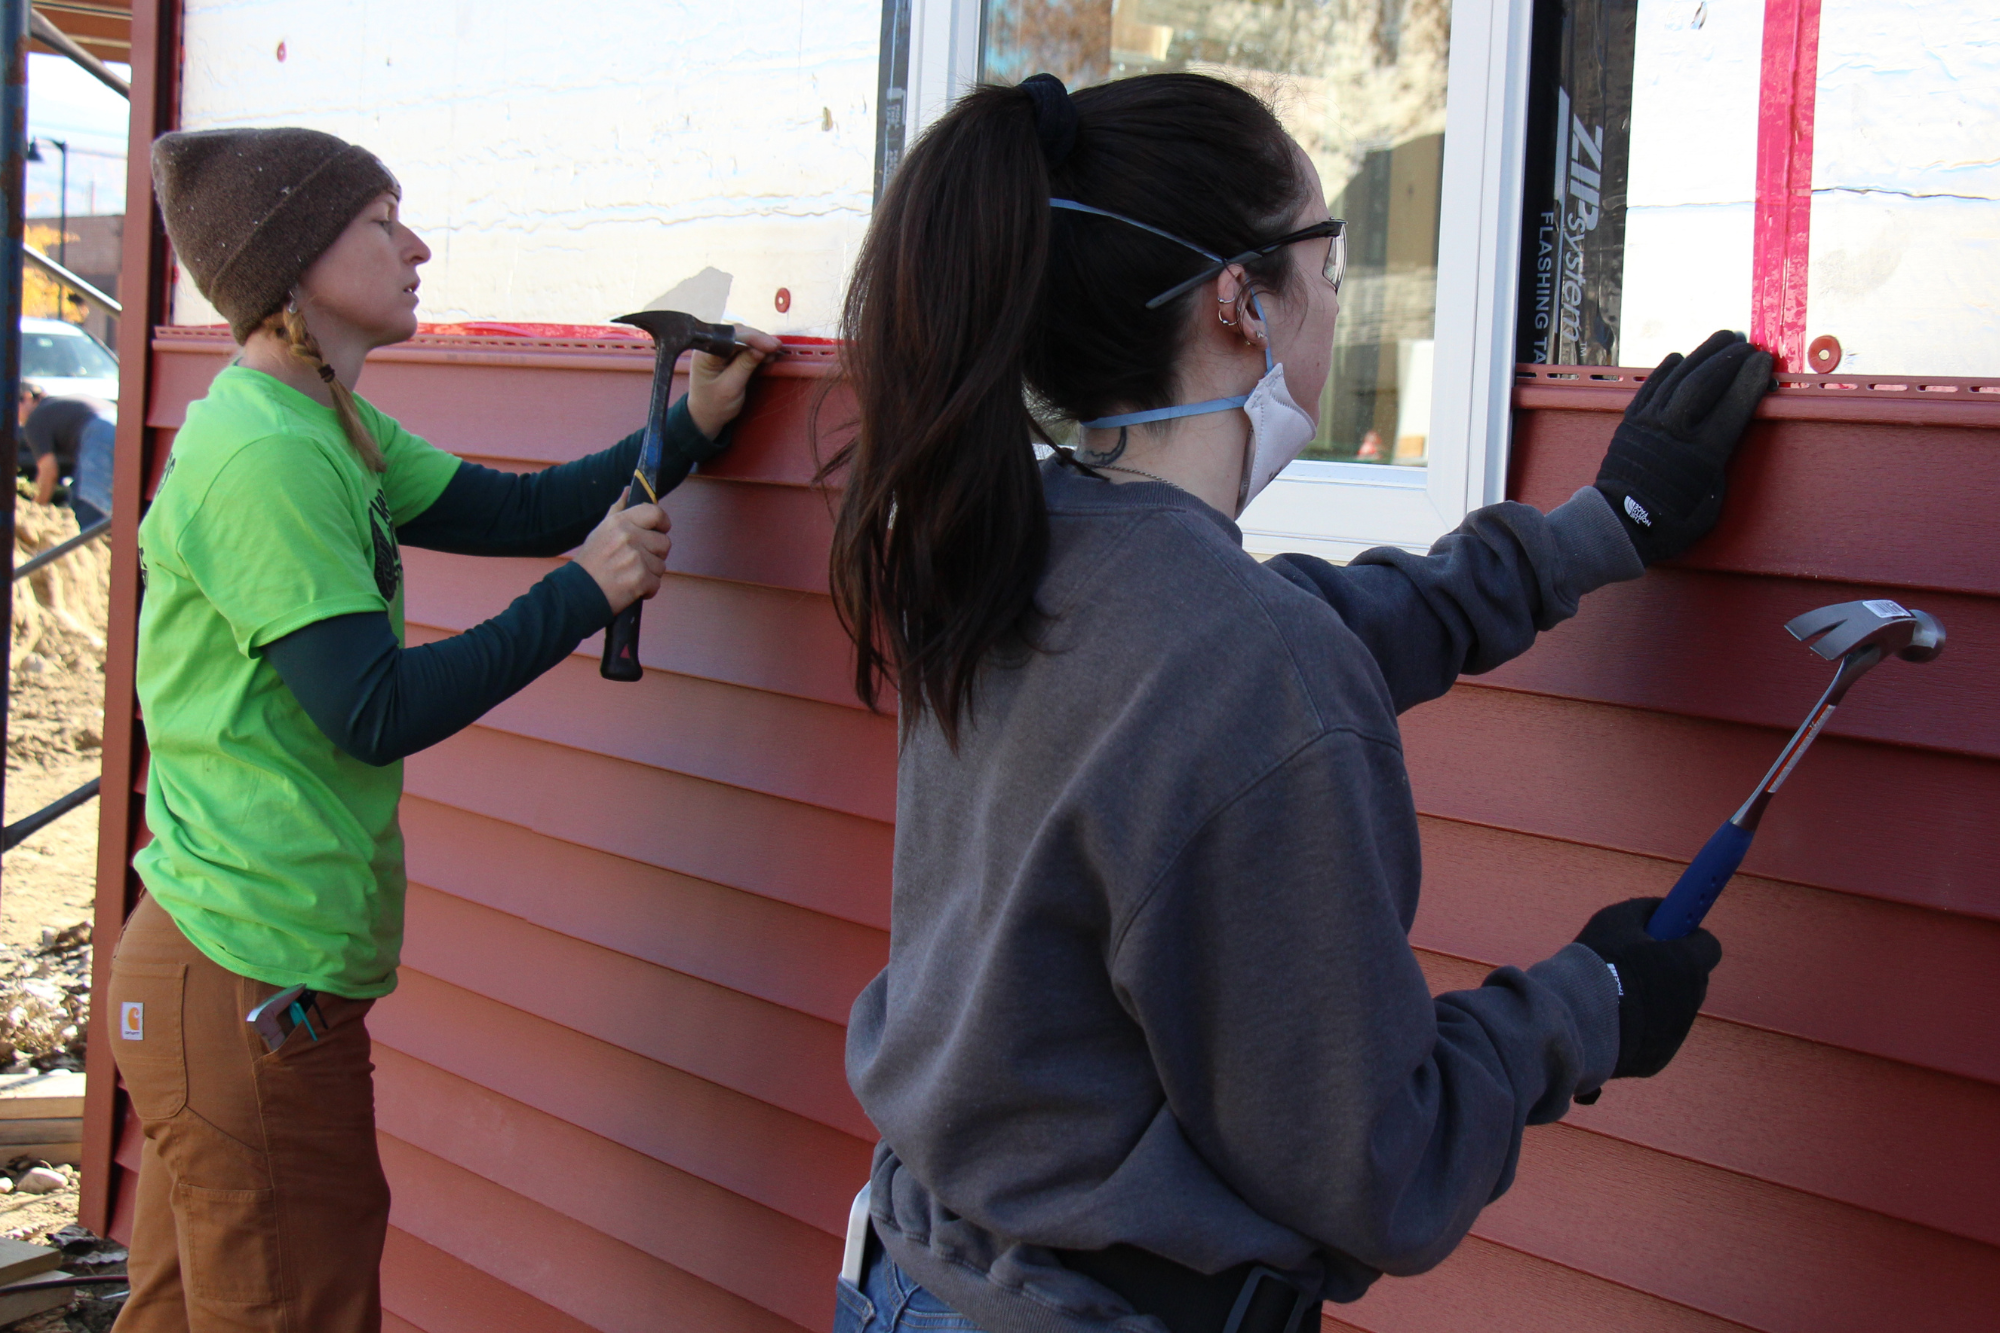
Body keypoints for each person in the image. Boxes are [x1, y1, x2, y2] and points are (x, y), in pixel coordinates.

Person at [826, 73, 1770, 1333]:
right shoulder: (1233, 658)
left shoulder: (1014, 542)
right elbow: (1379, 1167)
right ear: (1241, 302)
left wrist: (1597, 534)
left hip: (908, 1280)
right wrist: (1590, 1002)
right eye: (1325, 255)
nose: (1338, 296)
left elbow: (1295, 641)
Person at [106, 126, 780, 1333]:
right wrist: (585, 594)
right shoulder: (264, 455)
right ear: (297, 257)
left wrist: (686, 428)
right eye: (382, 221)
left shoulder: (328, 426)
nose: (416, 246)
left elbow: (523, 508)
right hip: (250, 982)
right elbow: (373, 710)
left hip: (224, 971)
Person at [20, 387, 116, 527]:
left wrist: (35, 510)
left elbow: (48, 471)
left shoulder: (35, 419)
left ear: (27, 398)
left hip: (99, 434)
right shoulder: (59, 405)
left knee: (87, 505)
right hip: (124, 425)